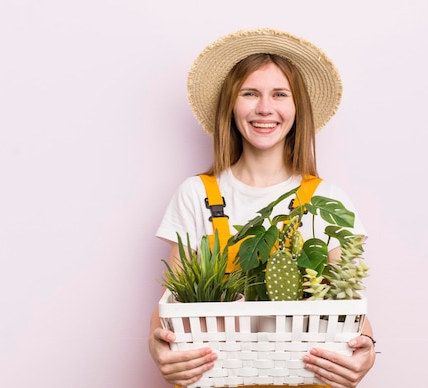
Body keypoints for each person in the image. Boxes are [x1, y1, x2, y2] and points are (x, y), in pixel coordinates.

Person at [149, 28, 376, 388]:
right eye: (250, 93)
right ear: (232, 105)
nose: (265, 108)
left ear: (296, 107)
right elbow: (171, 308)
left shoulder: (328, 200)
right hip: (217, 379)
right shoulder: (196, 195)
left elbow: (349, 312)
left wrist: (366, 351)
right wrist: (157, 347)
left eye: (280, 94)